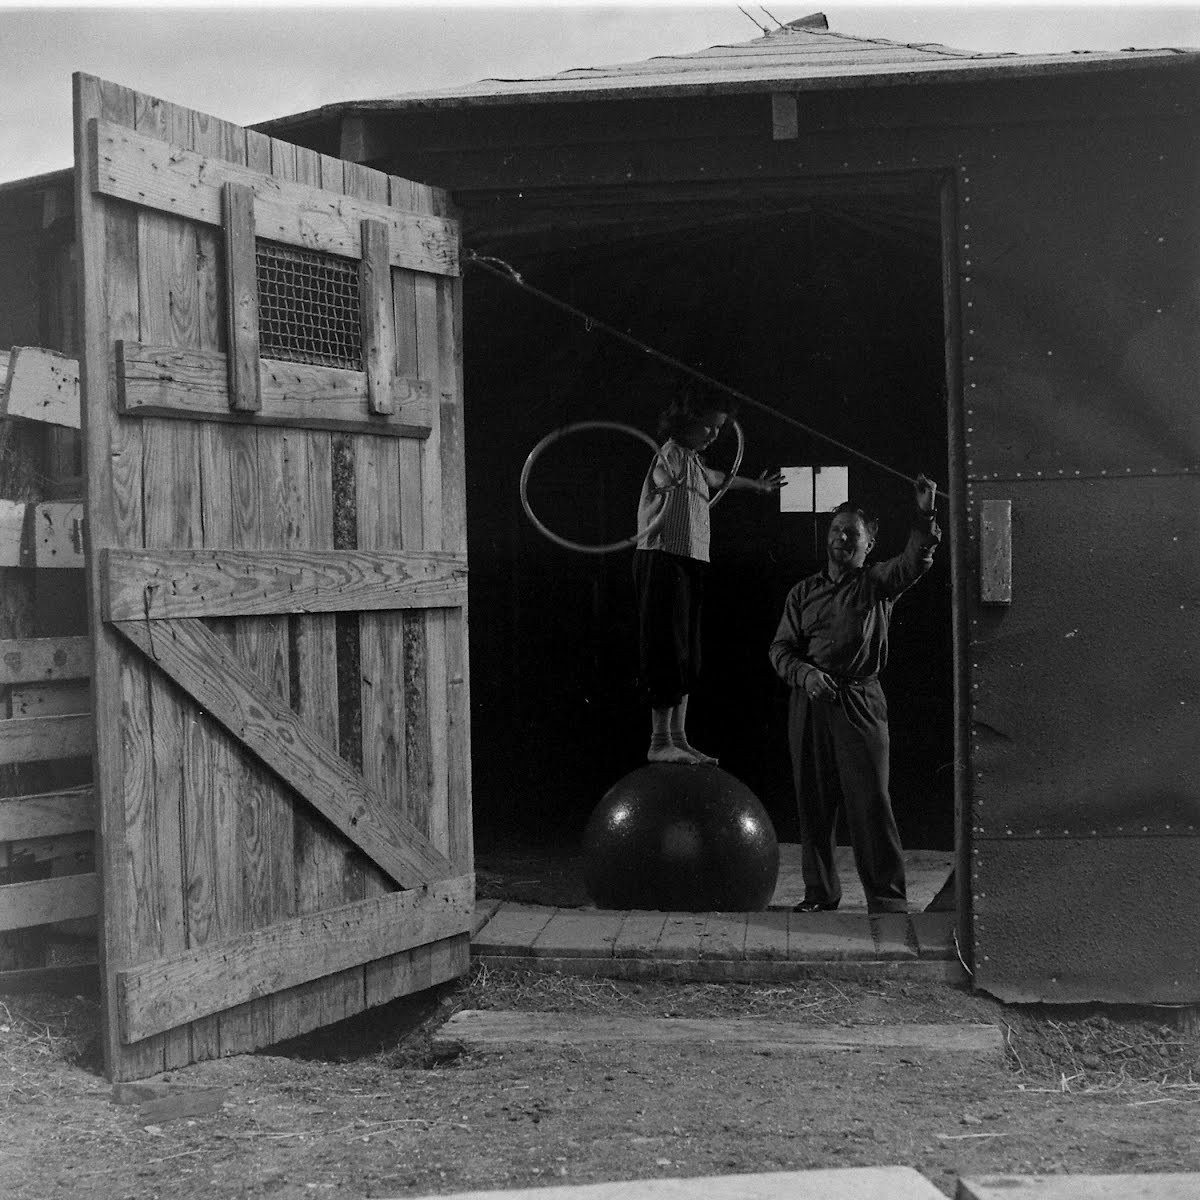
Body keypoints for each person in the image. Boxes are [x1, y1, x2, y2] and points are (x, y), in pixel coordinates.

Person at [768, 476, 940, 914]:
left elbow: (915, 561)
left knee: (870, 804)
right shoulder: (802, 593)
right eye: (836, 530)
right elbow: (780, 649)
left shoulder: (877, 583)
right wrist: (805, 674)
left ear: (869, 544)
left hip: (859, 703)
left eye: (852, 533)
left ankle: (887, 900)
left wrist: (924, 514)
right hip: (810, 703)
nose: (841, 538)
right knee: (813, 802)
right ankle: (820, 894)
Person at [634, 390, 783, 765]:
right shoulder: (670, 453)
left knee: (687, 654)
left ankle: (679, 738)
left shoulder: (695, 460)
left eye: (720, 429)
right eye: (709, 427)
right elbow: (662, 474)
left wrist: (757, 486)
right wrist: (667, 483)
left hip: (691, 559)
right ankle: (659, 741)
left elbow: (717, 478)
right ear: (688, 421)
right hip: (663, 557)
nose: (715, 435)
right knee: (666, 649)